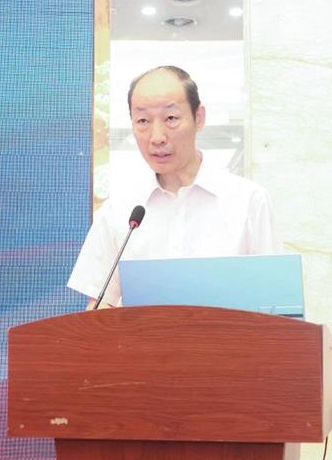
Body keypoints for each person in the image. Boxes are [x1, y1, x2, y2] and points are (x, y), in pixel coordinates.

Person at [68, 66, 280, 309]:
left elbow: (274, 303)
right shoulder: (120, 211)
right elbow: (99, 307)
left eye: (171, 118)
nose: (157, 137)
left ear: (199, 118)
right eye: (143, 121)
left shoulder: (249, 202)